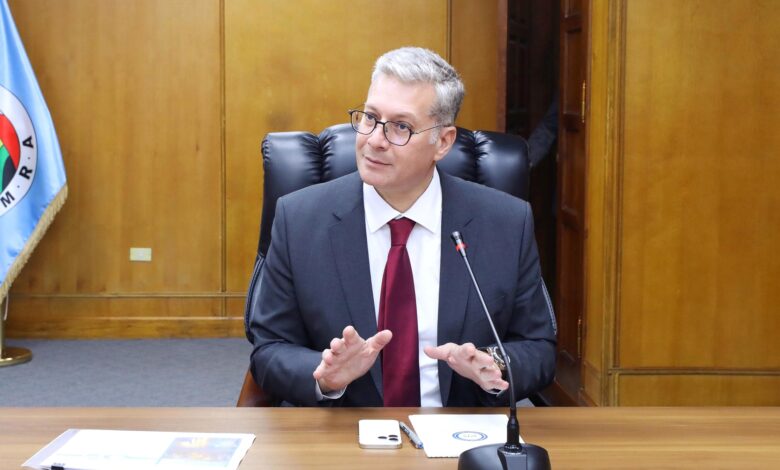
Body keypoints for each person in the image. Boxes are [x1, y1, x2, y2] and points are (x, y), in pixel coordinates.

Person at [249, 47, 556, 407]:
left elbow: (538, 348)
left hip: (456, 430)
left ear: (443, 142)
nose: (374, 140)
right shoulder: (299, 219)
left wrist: (494, 364)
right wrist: (325, 376)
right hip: (346, 429)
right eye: (370, 117)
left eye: (401, 127)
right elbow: (269, 349)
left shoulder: (505, 223)